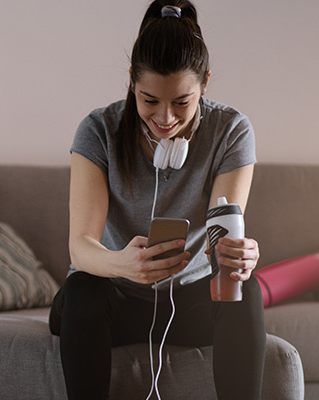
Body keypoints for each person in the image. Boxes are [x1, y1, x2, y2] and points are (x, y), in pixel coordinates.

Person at [51, 1, 265, 399]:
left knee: (245, 288)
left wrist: (239, 257)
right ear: (132, 81)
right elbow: (80, 248)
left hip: (187, 304)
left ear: (205, 84)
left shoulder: (231, 131)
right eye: (149, 100)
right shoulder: (98, 130)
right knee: (82, 290)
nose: (165, 118)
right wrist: (123, 265)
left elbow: (225, 241)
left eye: (182, 102)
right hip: (110, 301)